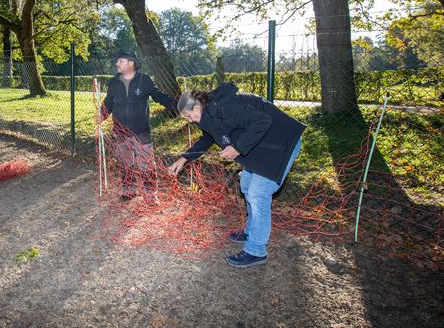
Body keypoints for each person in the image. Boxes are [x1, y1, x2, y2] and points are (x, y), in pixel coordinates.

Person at [168, 82, 305, 268]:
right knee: (247, 186)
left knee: (258, 194)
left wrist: (237, 148)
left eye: (188, 115)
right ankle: (251, 231)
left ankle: (256, 250)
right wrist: (184, 159)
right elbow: (208, 137)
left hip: (281, 143)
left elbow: (262, 121)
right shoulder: (209, 115)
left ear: (197, 107)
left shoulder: (225, 107)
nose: (189, 120)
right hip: (261, 145)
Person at [99, 50, 176, 201]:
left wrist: (178, 105)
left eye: (120, 61)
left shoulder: (144, 80)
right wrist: (101, 115)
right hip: (120, 131)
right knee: (125, 163)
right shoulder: (113, 83)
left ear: (131, 63)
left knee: (146, 164)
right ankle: (129, 190)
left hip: (141, 131)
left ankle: (150, 195)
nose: (117, 63)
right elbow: (108, 102)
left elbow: (159, 96)